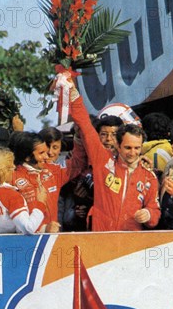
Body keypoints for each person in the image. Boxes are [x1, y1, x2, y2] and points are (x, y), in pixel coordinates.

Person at [67, 75, 161, 231]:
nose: (133, 153)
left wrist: (149, 214)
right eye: (128, 148)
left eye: (137, 148)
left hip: (130, 242)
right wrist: (71, 91)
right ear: (118, 145)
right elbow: (85, 124)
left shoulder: (149, 176)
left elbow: (155, 212)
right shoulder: (103, 161)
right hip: (101, 238)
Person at [11, 130, 87, 233]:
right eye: (41, 153)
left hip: (52, 239)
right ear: (27, 157)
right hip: (26, 241)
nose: (47, 156)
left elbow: (77, 164)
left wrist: (79, 136)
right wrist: (43, 229)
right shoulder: (13, 178)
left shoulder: (52, 171)